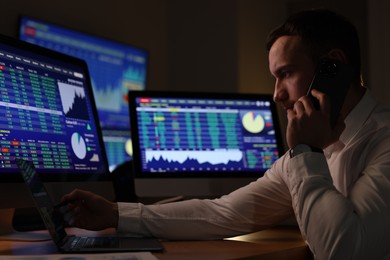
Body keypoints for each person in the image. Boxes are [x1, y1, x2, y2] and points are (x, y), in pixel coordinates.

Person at [61, 8, 390, 259]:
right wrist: (117, 213)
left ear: (332, 66)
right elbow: (222, 213)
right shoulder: (306, 153)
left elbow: (344, 252)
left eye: (286, 73)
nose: (276, 94)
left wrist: (306, 151)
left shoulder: (381, 142)